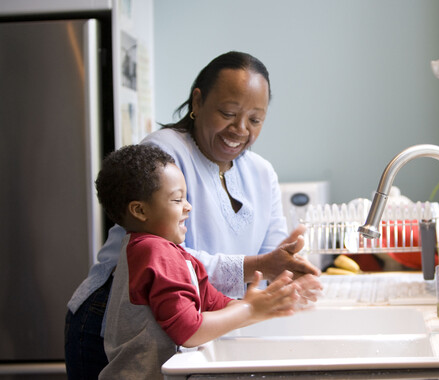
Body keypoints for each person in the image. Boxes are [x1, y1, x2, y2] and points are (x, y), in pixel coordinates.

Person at [65, 51, 321, 379]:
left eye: (255, 120)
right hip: (117, 319)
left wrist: (288, 273)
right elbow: (173, 262)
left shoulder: (262, 172)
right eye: (228, 113)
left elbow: (269, 256)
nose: (240, 129)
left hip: (189, 320)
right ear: (197, 102)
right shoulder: (164, 153)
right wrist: (257, 276)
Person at [94, 144, 309, 379]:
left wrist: (266, 306)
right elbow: (188, 331)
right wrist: (250, 309)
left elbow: (215, 303)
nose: (188, 206)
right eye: (177, 200)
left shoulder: (173, 254)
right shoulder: (154, 251)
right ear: (140, 210)